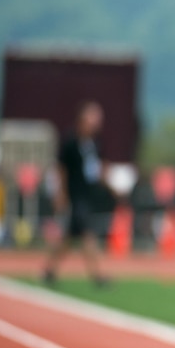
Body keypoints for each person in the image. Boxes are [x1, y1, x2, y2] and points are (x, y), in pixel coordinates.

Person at [42, 100, 110, 287]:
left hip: (89, 194)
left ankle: (49, 270)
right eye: (93, 117)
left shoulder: (95, 142)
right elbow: (61, 169)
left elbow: (98, 167)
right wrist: (60, 193)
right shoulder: (71, 141)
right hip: (76, 195)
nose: (97, 121)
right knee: (88, 234)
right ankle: (98, 275)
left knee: (69, 238)